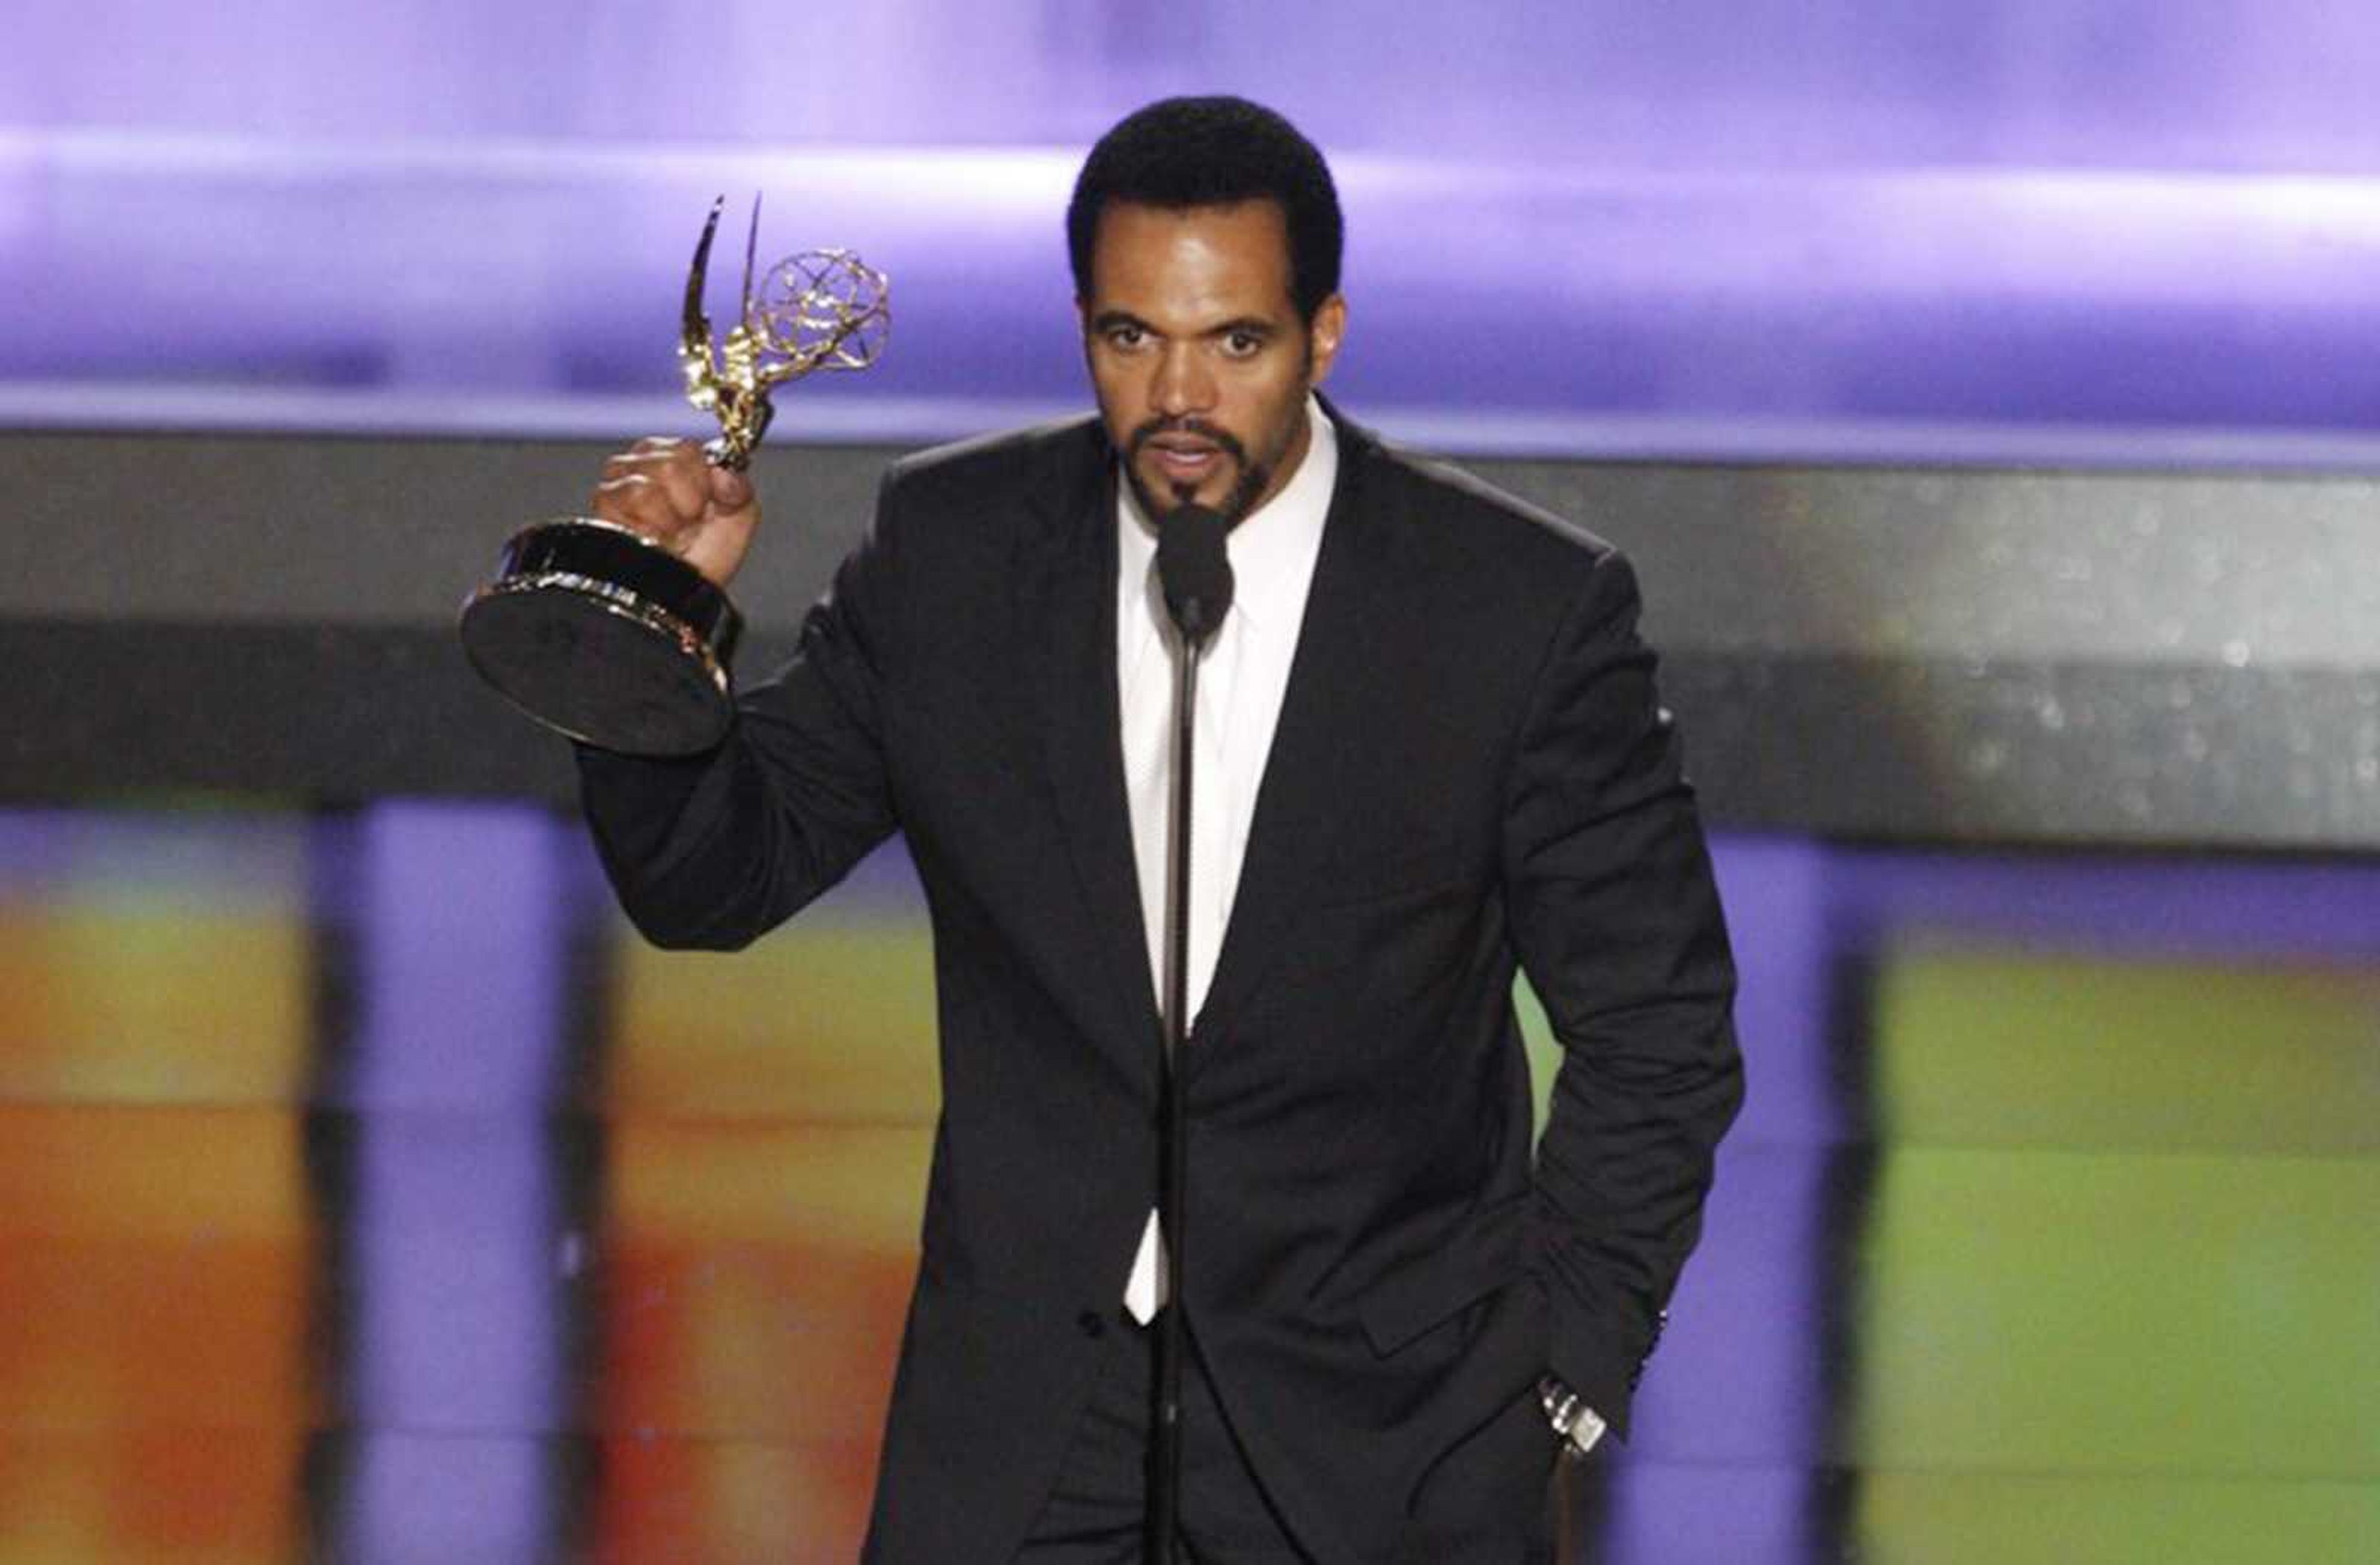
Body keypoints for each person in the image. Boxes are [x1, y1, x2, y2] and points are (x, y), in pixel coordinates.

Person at [574, 96, 1741, 1565]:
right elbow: (713, 878)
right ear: (1083, 326)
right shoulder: (957, 554)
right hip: (1025, 1428)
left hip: (1383, 1436)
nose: (1179, 397)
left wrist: (1561, 1373)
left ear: (1324, 333)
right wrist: (655, 631)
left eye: (1234, 342)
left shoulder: (1514, 611)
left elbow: (1662, 1026)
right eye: (1133, 338)